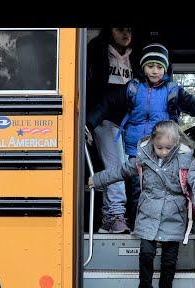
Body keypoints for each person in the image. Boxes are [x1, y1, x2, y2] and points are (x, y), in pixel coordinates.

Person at [87, 43, 195, 230]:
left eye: (159, 67)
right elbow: (107, 104)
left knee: (167, 188)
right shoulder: (132, 88)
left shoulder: (173, 91)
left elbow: (193, 104)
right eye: (150, 66)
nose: (155, 71)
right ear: (143, 67)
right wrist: (89, 122)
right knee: (138, 189)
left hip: (165, 148)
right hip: (138, 149)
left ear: (165, 68)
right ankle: (137, 227)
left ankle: (171, 225)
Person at [89, 120, 195, 288]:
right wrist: (97, 179)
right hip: (148, 213)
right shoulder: (144, 158)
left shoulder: (184, 160)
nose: (163, 152)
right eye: (159, 147)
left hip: (174, 216)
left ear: (176, 144)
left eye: (168, 148)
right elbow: (121, 170)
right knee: (146, 254)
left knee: (169, 260)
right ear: (151, 141)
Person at [86, 27, 141, 233]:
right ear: (110, 30)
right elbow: (87, 86)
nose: (126, 33)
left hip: (131, 120)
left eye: (130, 29)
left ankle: (137, 216)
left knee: (137, 167)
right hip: (103, 117)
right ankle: (112, 216)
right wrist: (88, 121)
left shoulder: (137, 56)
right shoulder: (97, 52)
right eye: (120, 28)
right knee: (115, 163)